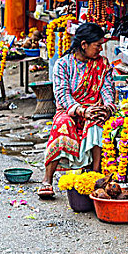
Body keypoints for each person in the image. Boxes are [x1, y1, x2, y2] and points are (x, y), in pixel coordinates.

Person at [38, 23, 116, 199]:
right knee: (62, 124)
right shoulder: (62, 64)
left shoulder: (102, 64)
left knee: (98, 121)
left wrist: (107, 108)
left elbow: (107, 90)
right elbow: (62, 95)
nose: (101, 49)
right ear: (84, 44)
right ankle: (47, 180)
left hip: (93, 108)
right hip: (70, 110)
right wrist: (81, 110)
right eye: (97, 45)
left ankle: (95, 177)